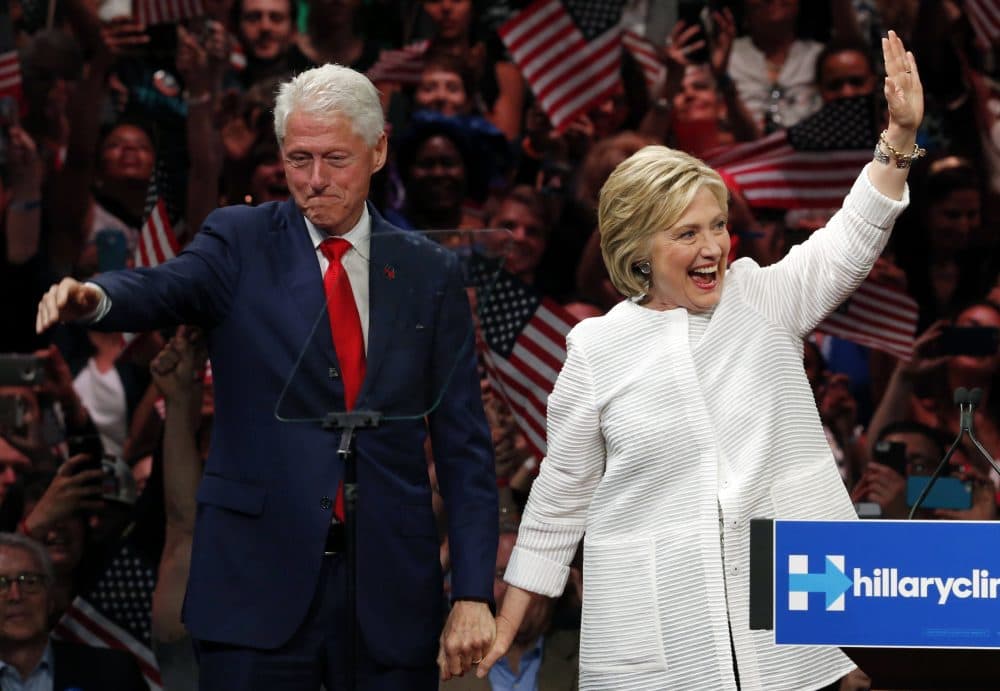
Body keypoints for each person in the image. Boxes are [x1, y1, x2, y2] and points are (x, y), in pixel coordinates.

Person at [479, 31, 924, 690]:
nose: (713, 245)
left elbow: (847, 239)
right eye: (687, 232)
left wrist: (901, 136)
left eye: (717, 224)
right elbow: (557, 500)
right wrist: (507, 621)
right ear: (637, 248)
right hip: (657, 637)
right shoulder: (595, 347)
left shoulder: (762, 297)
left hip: (785, 624)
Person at [35, 63, 498, 690]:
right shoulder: (239, 239)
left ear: (379, 148)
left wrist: (472, 592)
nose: (314, 181)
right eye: (298, 158)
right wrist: (96, 296)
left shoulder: (429, 273)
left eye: (335, 158)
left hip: (388, 596)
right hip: (256, 594)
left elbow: (464, 450)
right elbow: (165, 284)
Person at [0, 532, 148, 690]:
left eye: (30, 582)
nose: (16, 595)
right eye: (1, 584)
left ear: (50, 599)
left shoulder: (114, 672)